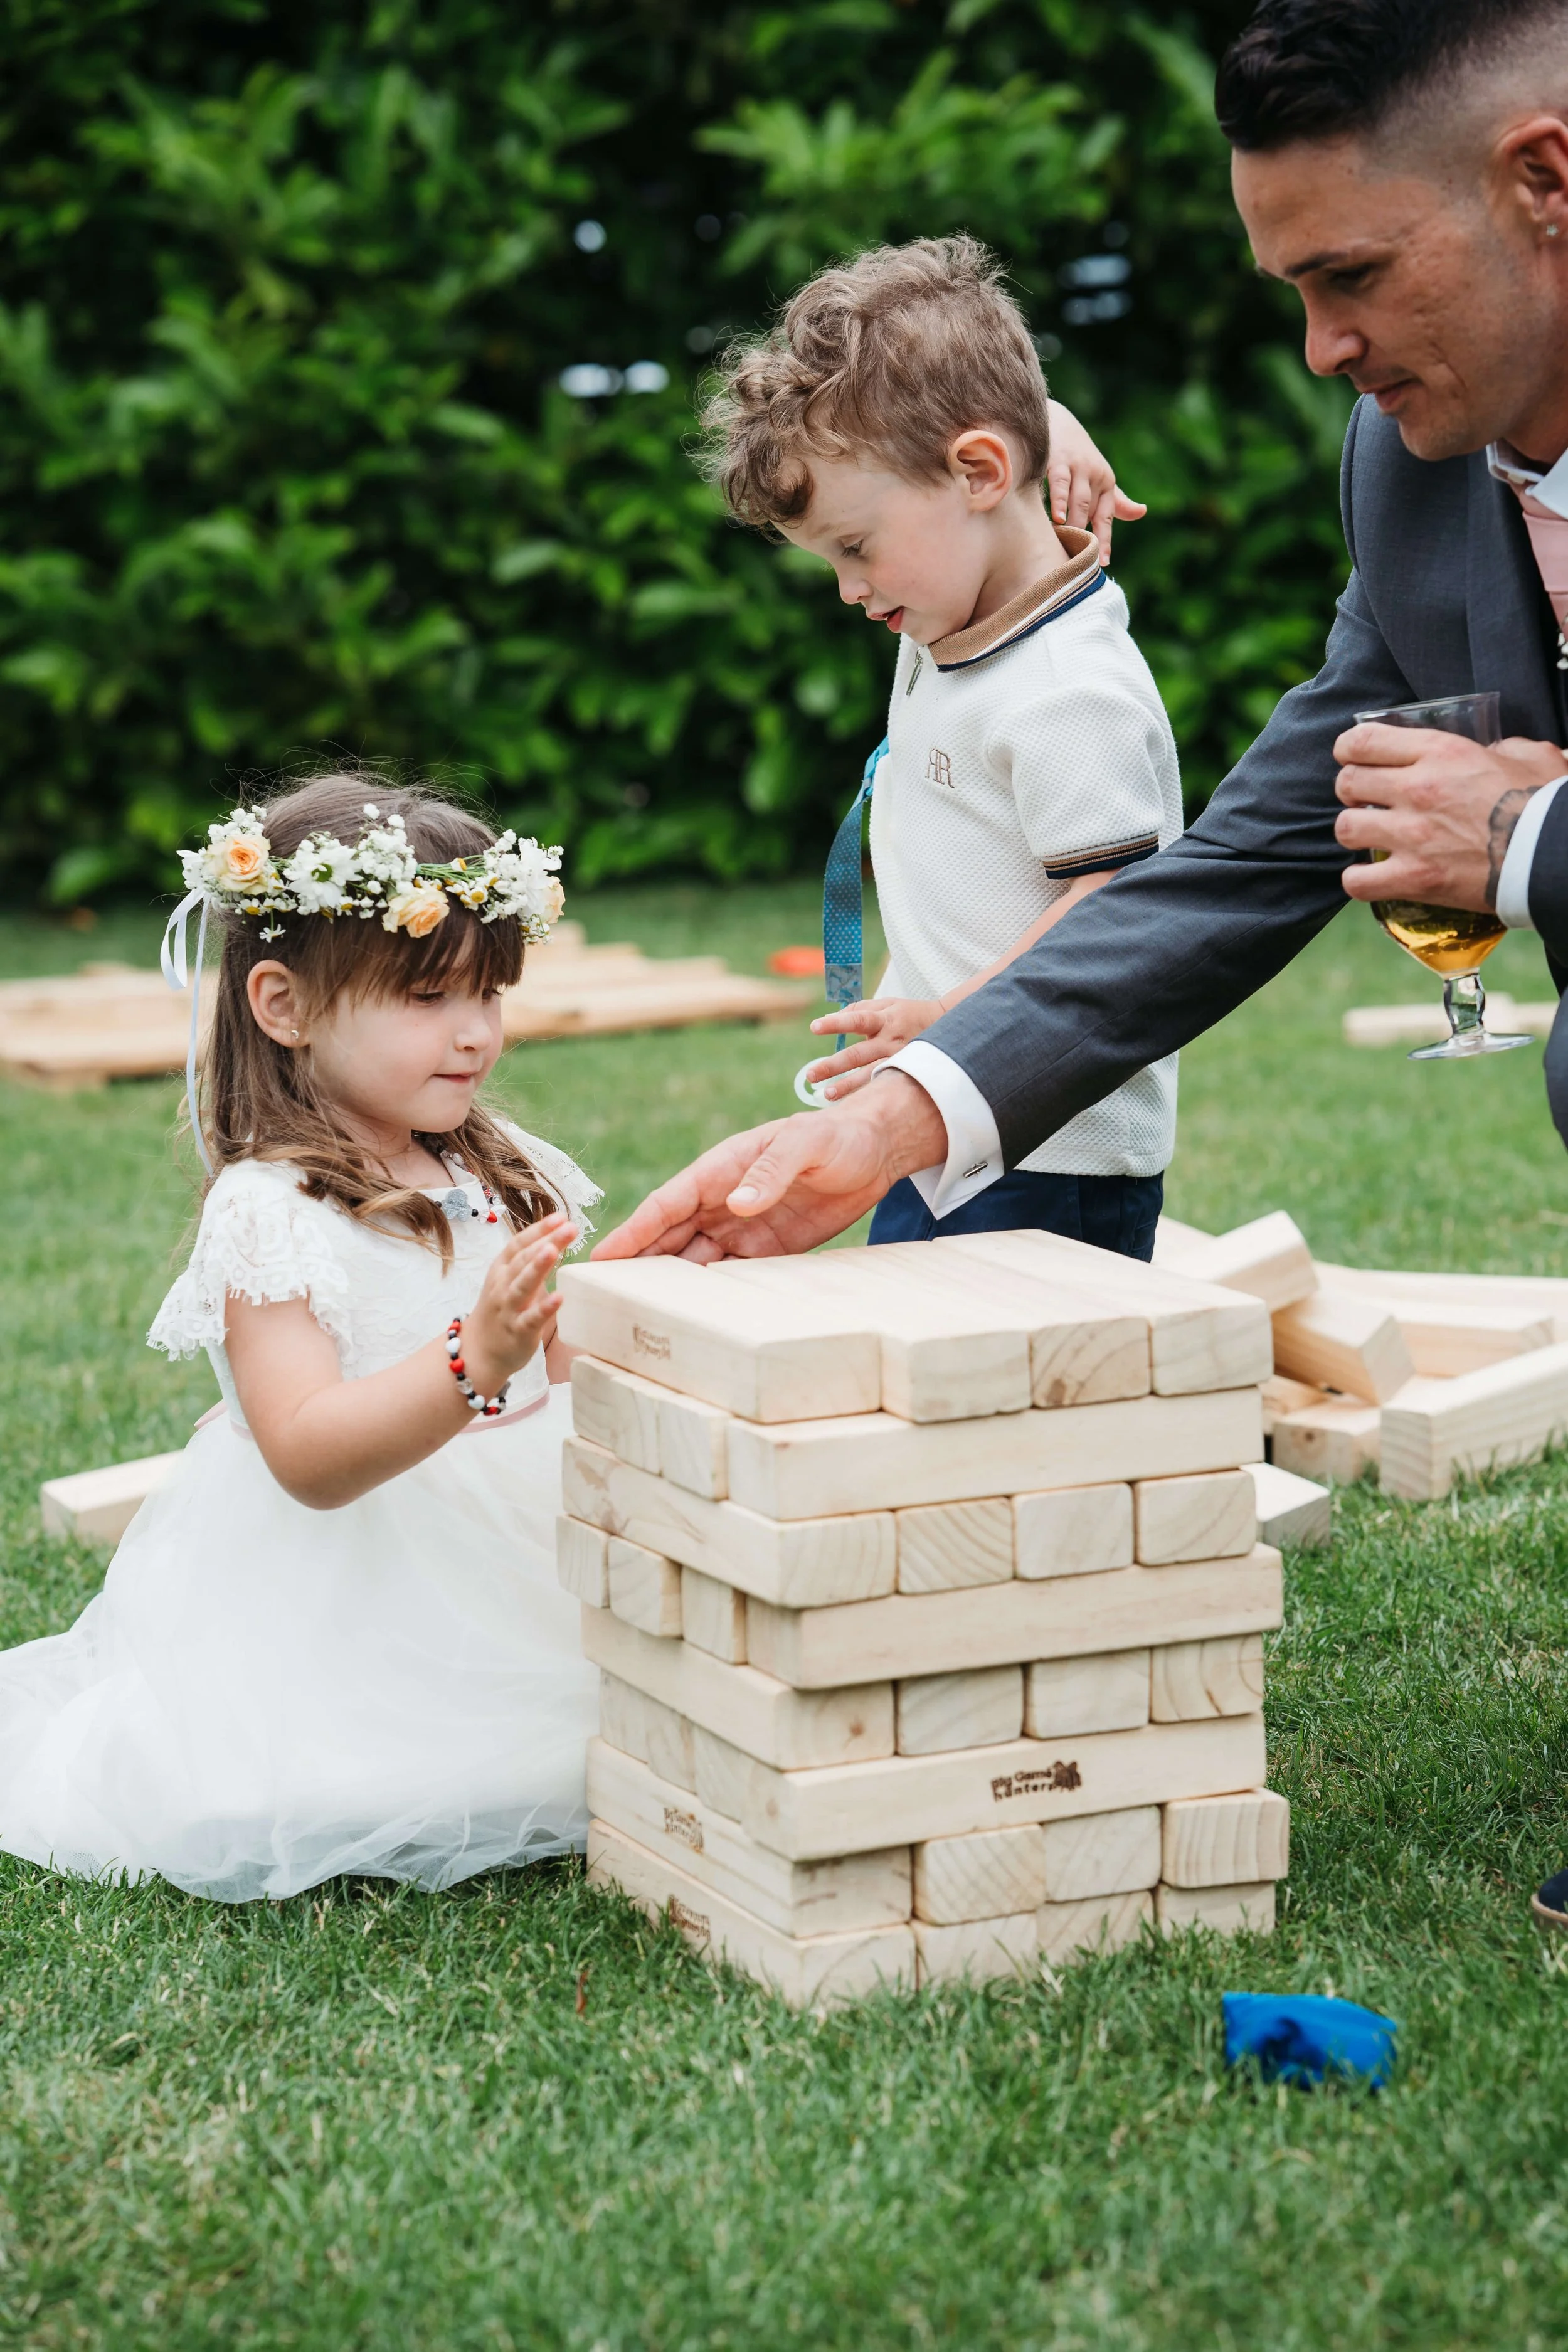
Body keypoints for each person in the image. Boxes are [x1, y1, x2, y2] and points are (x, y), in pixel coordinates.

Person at [597, 0, 1568, 1925]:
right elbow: (1239, 860)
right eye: (1291, 287)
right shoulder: (1410, 468)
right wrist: (885, 1121)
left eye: (1349, 274)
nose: (1323, 348)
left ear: (1543, 180)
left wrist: (1531, 842)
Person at [0, 775, 600, 1901]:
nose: (476, 1034)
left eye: (491, 994)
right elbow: (312, 1458)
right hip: (357, 1574)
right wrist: (475, 1356)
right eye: (429, 996)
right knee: (363, 1780)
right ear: (283, 1005)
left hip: (518, 1542)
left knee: (616, 1720)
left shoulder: (498, 1163)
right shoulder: (270, 1211)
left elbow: (572, 1369)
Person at [704, 235, 1182, 1259]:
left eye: (854, 547)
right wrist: (1045, 424)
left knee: (1017, 1408)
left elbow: (1116, 908)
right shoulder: (951, 599)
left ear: (979, 472)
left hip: (1052, 1144)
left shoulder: (1067, 691)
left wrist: (952, 1017)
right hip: (947, 1109)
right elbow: (975, 431)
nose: (849, 589)